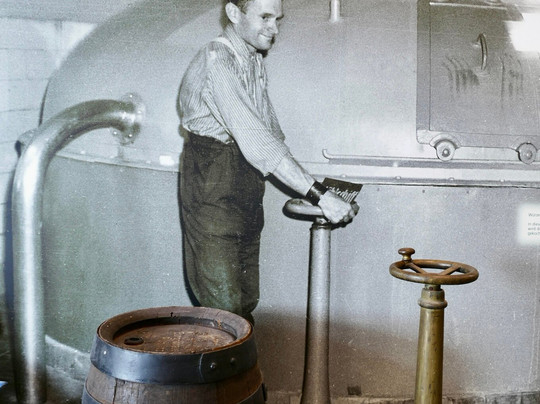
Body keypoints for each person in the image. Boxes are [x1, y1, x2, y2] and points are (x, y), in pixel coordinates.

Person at [177, 0, 357, 323]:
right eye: (264, 17)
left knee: (246, 300)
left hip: (243, 186)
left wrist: (315, 188)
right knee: (224, 311)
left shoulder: (252, 58)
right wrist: (320, 195)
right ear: (234, 14)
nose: (274, 29)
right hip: (212, 186)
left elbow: (271, 135)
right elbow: (260, 145)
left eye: (277, 19)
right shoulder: (218, 62)